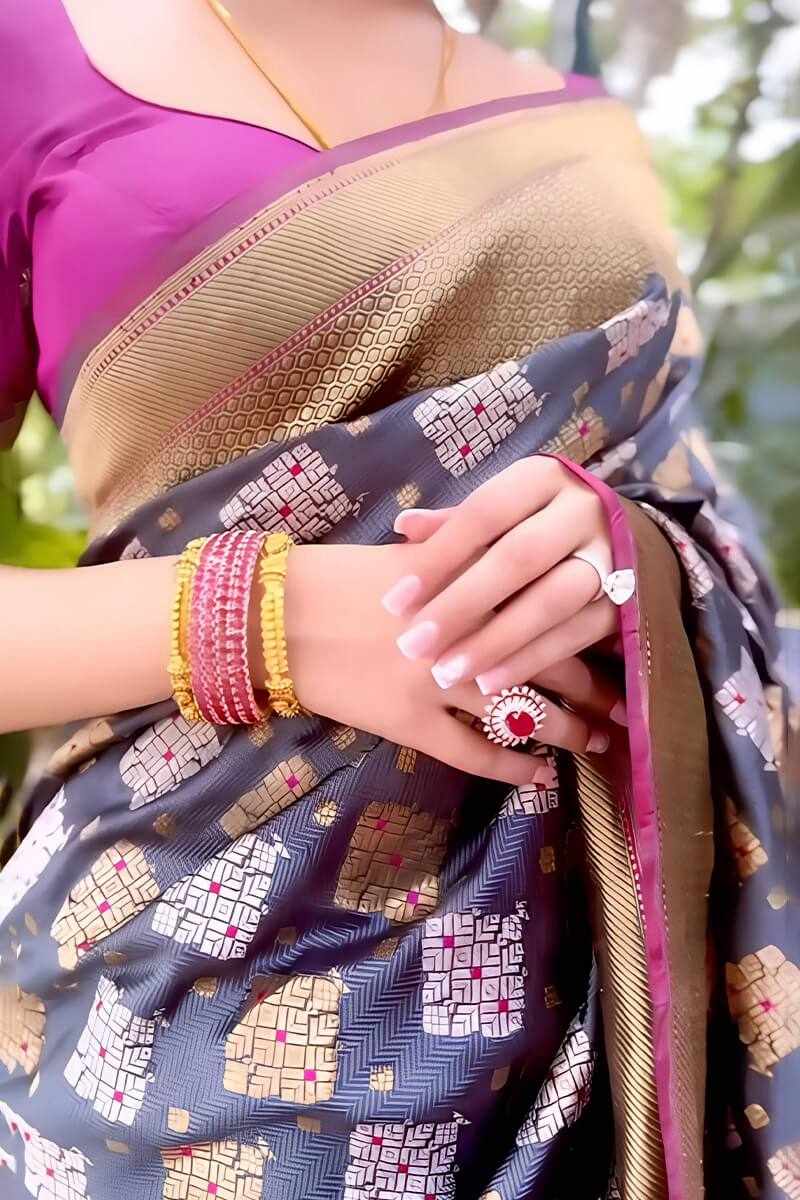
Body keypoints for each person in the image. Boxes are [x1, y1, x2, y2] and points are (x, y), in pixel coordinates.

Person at [0, 2, 793, 1197]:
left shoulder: (580, 119)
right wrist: (272, 614)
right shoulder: (30, 56)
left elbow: (692, 518)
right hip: (181, 997)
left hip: (598, 974)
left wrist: (622, 552)